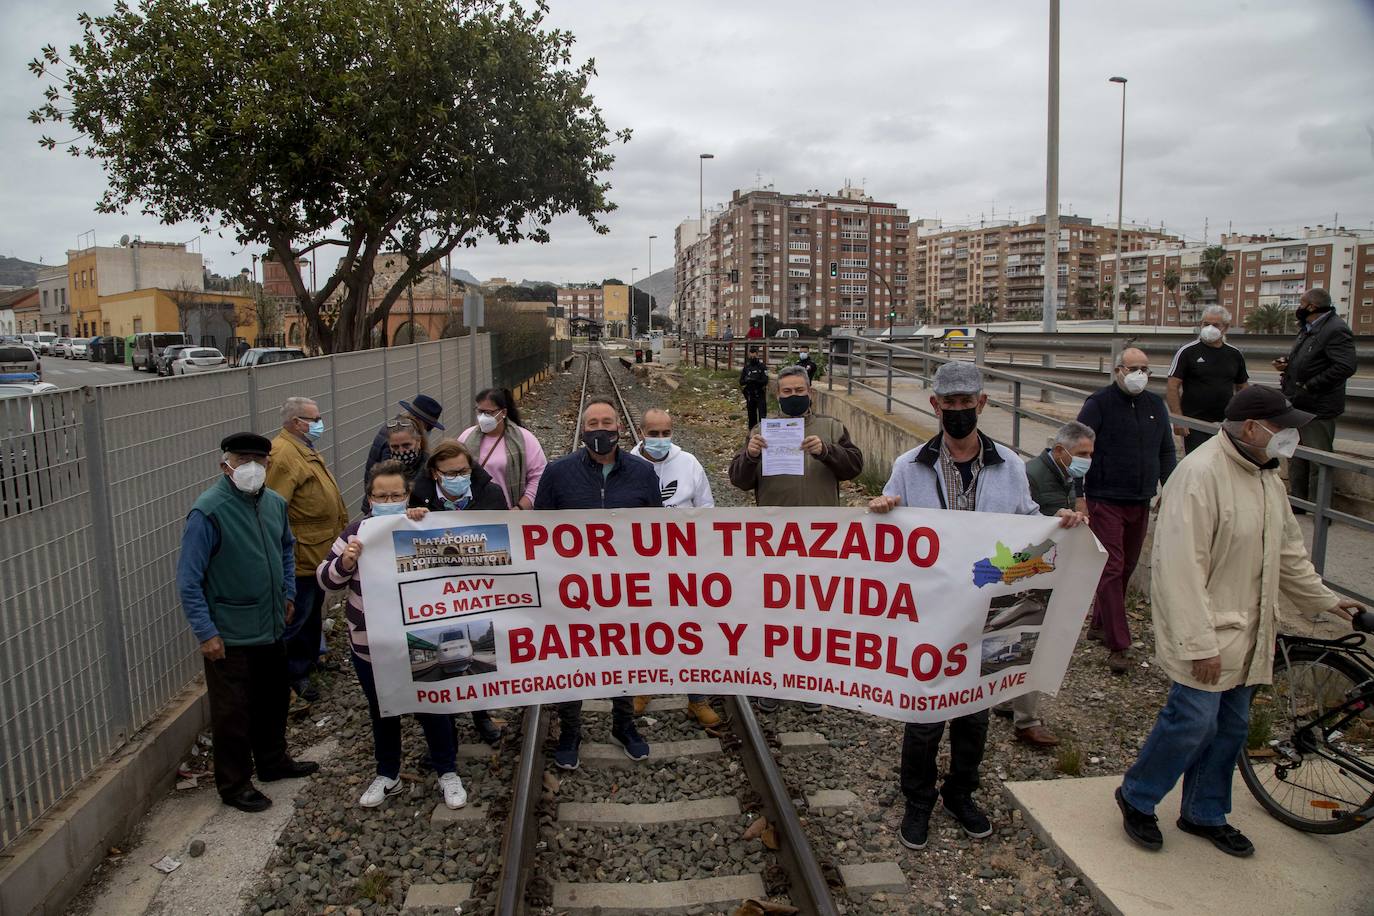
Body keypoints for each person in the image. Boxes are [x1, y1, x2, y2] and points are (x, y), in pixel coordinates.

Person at [1116, 386, 1364, 857]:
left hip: (1250, 633)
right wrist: (1198, 643)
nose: (1289, 436)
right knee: (1191, 722)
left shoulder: (1267, 476)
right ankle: (1137, 796)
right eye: (1282, 427)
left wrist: (1328, 601)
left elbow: (1288, 552)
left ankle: (1204, 812)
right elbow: (1179, 571)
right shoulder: (1199, 475)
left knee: (1231, 728)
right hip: (1210, 635)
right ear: (1251, 427)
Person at [869, 362, 1087, 851]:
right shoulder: (910, 466)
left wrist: (1059, 524)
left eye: (968, 403)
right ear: (936, 406)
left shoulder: (1009, 465)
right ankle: (918, 800)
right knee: (924, 711)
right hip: (932, 609)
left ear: (982, 404)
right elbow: (890, 524)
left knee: (976, 711)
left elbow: (1028, 524)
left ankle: (961, 794)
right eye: (951, 404)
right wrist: (882, 508)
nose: (960, 412)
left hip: (995, 607)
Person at [176, 433, 318, 812]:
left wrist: (288, 593)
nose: (252, 467)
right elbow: (189, 579)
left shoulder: (273, 503)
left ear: (269, 465)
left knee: (273, 700)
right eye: (243, 459)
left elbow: (287, 548)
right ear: (226, 465)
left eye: (259, 459)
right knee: (233, 713)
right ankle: (234, 784)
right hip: (230, 633)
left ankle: (273, 762)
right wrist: (206, 632)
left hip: (271, 625)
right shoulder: (208, 511)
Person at [317, 460, 468, 811]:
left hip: (418, 642)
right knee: (383, 709)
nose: (388, 500)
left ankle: (447, 771)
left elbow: (454, 569)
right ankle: (388, 773)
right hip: (370, 646)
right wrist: (348, 561)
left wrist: (422, 523)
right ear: (369, 498)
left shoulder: (421, 525)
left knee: (434, 704)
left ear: (407, 495)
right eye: (381, 495)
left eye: (396, 494)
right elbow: (325, 579)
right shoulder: (355, 533)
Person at [534, 398, 663, 769]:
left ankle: (623, 724)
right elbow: (539, 531)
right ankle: (571, 730)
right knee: (572, 658)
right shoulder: (558, 473)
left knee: (623, 655)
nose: (600, 430)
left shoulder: (642, 472)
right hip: (573, 588)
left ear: (619, 428)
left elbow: (658, 531)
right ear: (583, 429)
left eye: (607, 422)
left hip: (625, 586)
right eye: (592, 424)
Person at [730, 365, 864, 714]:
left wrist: (826, 451)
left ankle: (810, 683)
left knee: (815, 615)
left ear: (810, 393)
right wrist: (751, 454)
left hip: (822, 539)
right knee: (774, 614)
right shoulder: (761, 430)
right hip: (773, 541)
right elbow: (739, 480)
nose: (793, 397)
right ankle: (773, 681)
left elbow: (854, 467)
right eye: (786, 392)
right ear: (777, 396)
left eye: (798, 391)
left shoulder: (832, 428)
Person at [993, 420, 1096, 748]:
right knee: (1030, 640)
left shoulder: (1065, 473)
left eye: (1091, 453)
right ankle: (1027, 720)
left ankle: (1008, 701)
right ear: (1061, 450)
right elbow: (1021, 519)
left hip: (1043, 567)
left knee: (1019, 635)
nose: (1088, 459)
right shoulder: (1032, 475)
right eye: (1083, 453)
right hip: (1028, 570)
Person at [1077, 348, 1177, 674]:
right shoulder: (1099, 404)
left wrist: (1170, 488)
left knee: (1127, 566)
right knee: (1112, 565)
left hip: (1140, 499)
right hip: (1105, 497)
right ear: (1119, 370)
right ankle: (1119, 644)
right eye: (1134, 368)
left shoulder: (1155, 406)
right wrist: (1078, 494)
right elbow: (1078, 447)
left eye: (1146, 369)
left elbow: (1165, 450)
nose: (1140, 374)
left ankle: (1099, 623)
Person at [410, 440, 508, 746]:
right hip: (437, 592)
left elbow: (505, 533)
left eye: (464, 470)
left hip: (479, 588)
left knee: (475, 671)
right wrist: (410, 516)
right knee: (445, 674)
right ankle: (445, 726)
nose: (458, 476)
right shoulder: (420, 497)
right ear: (436, 474)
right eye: (450, 472)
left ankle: (481, 715)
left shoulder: (490, 494)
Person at [629, 408, 719, 728]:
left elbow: (706, 508)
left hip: (685, 565)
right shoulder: (627, 465)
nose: (660, 439)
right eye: (653, 434)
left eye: (665, 433)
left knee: (691, 630)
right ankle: (644, 687)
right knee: (647, 629)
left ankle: (698, 699)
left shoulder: (689, 463)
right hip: (643, 567)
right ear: (641, 433)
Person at [266, 397, 350, 702]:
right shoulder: (284, 454)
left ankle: (311, 659)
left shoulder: (303, 449)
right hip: (301, 553)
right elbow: (275, 507)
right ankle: (292, 675)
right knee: (297, 616)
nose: (319, 423)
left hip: (317, 551)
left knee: (313, 611)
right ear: (296, 422)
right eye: (314, 419)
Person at [1275, 287, 1357, 505]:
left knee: (1319, 460)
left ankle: (1320, 508)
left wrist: (1311, 385)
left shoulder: (1336, 329)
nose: (1298, 308)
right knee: (1296, 456)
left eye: (1301, 304)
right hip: (1297, 404)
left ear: (1312, 306)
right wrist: (1287, 365)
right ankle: (1299, 503)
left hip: (1318, 408)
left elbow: (1345, 366)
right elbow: (1309, 359)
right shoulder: (1308, 328)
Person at [1167, 305, 1248, 454]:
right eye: (1206, 324)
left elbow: (1243, 387)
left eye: (1215, 325)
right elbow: (1172, 386)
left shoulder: (1234, 354)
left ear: (1226, 327)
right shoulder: (1187, 352)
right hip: (1194, 424)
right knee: (1198, 468)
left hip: (1226, 425)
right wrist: (1178, 419)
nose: (1210, 328)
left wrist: (1242, 419)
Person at [456, 387, 548, 511]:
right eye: (480, 411)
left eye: (488, 413)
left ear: (503, 413)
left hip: (511, 515)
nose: (483, 417)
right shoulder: (466, 437)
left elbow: (539, 477)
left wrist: (520, 508)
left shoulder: (525, 439)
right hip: (472, 514)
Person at [364, 394, 446, 483]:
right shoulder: (400, 437)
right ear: (421, 422)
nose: (401, 449)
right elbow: (389, 476)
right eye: (429, 427)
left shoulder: (395, 428)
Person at [361, 417, 427, 513]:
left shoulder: (428, 467)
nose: (401, 451)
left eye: (406, 445)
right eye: (395, 447)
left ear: (418, 442)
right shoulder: (382, 467)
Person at [739, 346, 769, 431]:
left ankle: (763, 432)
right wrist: (747, 380)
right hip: (750, 394)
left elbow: (765, 381)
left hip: (760, 393)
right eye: (751, 356)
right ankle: (752, 433)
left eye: (754, 356)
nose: (752, 358)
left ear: (757, 355)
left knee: (762, 415)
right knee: (751, 416)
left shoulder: (762, 367)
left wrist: (755, 380)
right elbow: (741, 382)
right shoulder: (747, 367)